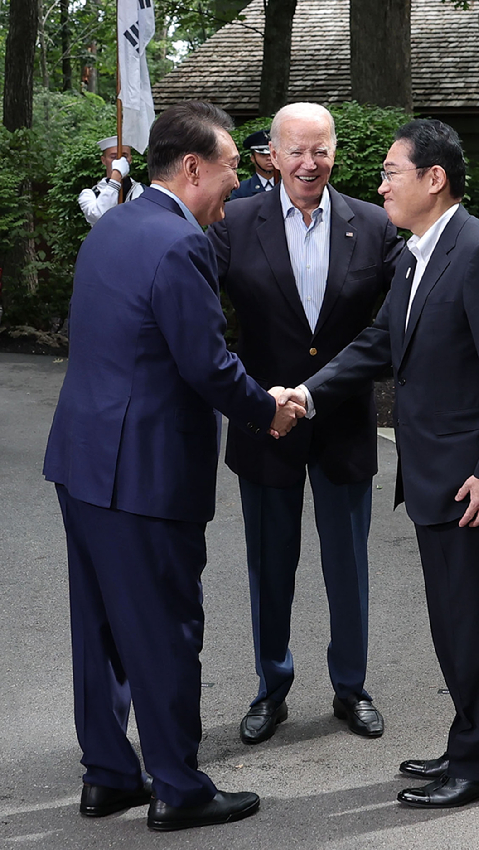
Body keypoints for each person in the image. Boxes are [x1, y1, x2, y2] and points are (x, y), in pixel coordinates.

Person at [43, 100, 304, 833]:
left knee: (98, 626)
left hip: (82, 458)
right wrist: (269, 408)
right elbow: (208, 366)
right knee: (163, 629)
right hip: (145, 472)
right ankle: (180, 789)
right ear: (193, 168)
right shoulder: (180, 245)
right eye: (230, 169)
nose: (240, 183)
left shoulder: (115, 226)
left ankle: (108, 775)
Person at [281, 118, 479, 808]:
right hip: (434, 474)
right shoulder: (419, 253)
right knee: (454, 623)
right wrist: (306, 393)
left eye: (393, 171)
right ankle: (472, 743)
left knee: (467, 624)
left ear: (434, 178)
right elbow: (378, 344)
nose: (381, 184)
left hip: (467, 479)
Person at [207, 102, 403, 745]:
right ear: (271, 154)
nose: (308, 163)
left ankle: (352, 687)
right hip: (266, 425)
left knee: (348, 564)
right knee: (270, 565)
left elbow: (394, 320)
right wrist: (252, 395)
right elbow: (200, 315)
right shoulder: (233, 221)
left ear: (336, 152)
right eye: (295, 150)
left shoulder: (373, 225)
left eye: (320, 149)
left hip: (343, 422)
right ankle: (272, 686)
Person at [78, 136, 144, 226]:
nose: (119, 161)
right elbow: (101, 218)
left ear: (130, 159)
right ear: (104, 160)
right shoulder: (90, 195)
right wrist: (115, 179)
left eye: (124, 156)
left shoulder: (143, 191)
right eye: (113, 157)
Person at [228, 129, 277, 199]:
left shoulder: (288, 186)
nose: (269, 158)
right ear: (253, 158)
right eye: (262, 155)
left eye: (272, 154)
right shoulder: (241, 190)